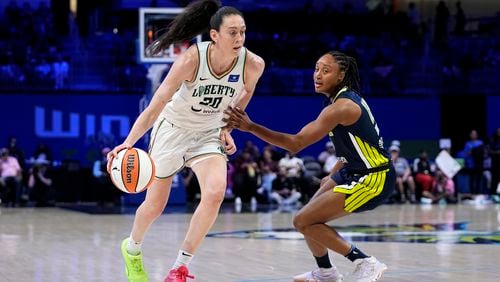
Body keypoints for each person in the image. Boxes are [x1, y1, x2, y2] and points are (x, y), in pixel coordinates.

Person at [106, 1, 265, 281]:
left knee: (215, 193)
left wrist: (228, 127)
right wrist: (128, 143)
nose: (239, 38)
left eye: (242, 32)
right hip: (173, 129)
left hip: (208, 132)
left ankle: (179, 268)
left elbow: (246, 93)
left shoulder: (253, 64)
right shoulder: (192, 59)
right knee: (155, 205)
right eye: (232, 32)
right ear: (214, 35)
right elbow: (156, 104)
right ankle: (131, 248)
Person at [224, 50, 395, 282]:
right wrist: (332, 174)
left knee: (303, 220)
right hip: (351, 170)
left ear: (341, 75)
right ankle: (326, 273)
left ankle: (365, 262)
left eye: (326, 70)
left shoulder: (342, 107)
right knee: (308, 215)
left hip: (374, 177)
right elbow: (353, 148)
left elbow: (296, 144)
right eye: (316, 69)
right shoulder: (341, 101)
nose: (318, 75)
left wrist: (251, 127)